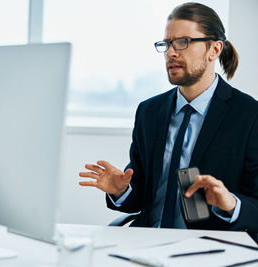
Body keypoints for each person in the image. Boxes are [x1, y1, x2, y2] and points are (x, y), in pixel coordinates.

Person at [79, 2, 258, 242]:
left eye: (183, 42)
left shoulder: (248, 114)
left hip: (207, 246)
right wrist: (122, 190)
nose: (171, 52)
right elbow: (142, 196)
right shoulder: (149, 111)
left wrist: (230, 203)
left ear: (214, 49)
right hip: (146, 241)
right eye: (167, 44)